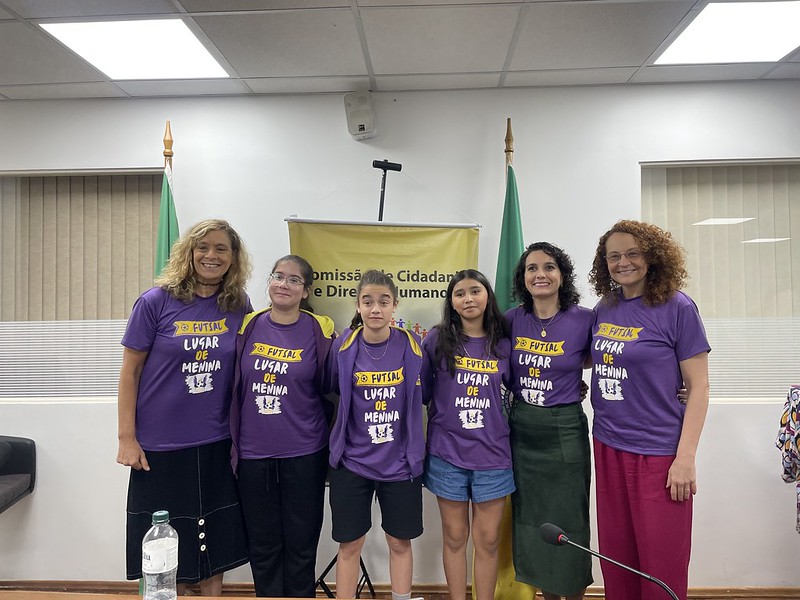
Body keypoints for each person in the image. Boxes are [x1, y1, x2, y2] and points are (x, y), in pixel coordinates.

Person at [116, 218, 252, 595]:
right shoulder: (155, 302)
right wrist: (127, 437)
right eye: (203, 247)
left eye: (221, 248)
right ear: (188, 253)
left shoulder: (239, 306)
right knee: (161, 550)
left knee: (215, 544)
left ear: (233, 258)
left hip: (217, 441)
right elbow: (130, 373)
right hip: (160, 447)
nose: (211, 255)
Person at [588, 220, 710, 600]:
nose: (623, 262)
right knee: (618, 560)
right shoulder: (604, 308)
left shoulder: (677, 307)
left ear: (652, 257)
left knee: (661, 565)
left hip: (658, 454)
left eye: (632, 253)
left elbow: (700, 387)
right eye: (614, 256)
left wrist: (685, 457)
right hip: (608, 446)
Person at [230, 255, 336, 597]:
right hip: (253, 454)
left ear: (305, 291)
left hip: (304, 452)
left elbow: (330, 386)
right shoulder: (249, 325)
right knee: (262, 545)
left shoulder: (320, 329)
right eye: (278, 276)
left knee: (302, 542)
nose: (283, 284)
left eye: (293, 280)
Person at [326, 269, 425, 600]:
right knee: (350, 543)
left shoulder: (413, 346)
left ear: (395, 304)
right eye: (367, 301)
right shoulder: (342, 347)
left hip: (399, 463)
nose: (375, 309)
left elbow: (427, 395)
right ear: (357, 305)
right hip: (352, 462)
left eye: (383, 301)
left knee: (399, 541)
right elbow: (329, 390)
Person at [506, 242, 594, 600]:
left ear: (562, 275)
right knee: (531, 522)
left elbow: (618, 360)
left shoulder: (585, 318)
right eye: (531, 268)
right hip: (522, 430)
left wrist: (676, 388)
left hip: (565, 430)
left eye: (548, 267)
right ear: (523, 278)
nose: (540, 274)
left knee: (569, 520)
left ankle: (571, 593)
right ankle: (546, 594)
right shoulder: (511, 319)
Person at [420, 269, 514, 600]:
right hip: (447, 455)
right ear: (451, 302)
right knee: (455, 537)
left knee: (487, 540)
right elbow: (422, 393)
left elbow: (521, 389)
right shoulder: (435, 340)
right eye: (460, 293)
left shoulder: (504, 342)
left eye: (475, 291)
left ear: (487, 296)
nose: (468, 299)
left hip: (493, 456)